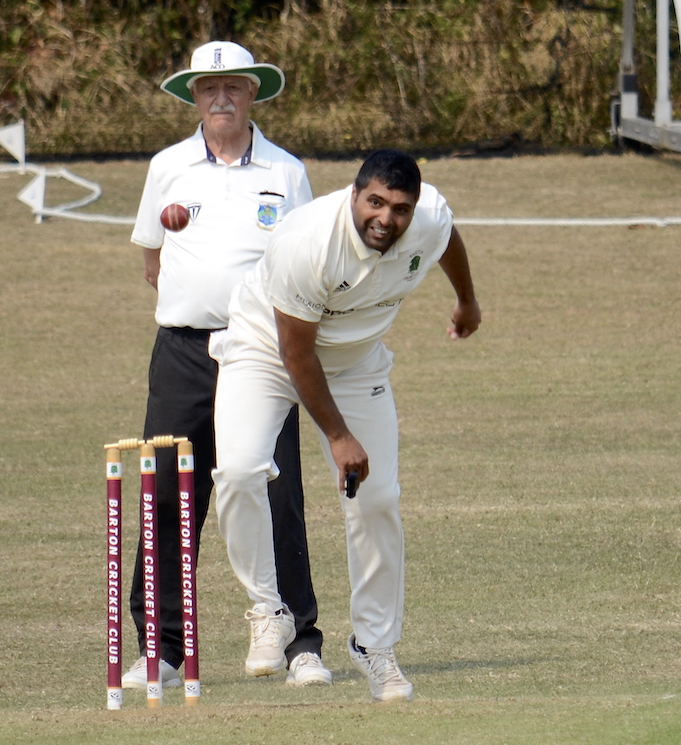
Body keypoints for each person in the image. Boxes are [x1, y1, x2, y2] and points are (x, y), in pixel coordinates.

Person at [210, 149, 481, 702]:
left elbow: (446, 239)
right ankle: (270, 610)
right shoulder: (307, 241)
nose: (385, 218)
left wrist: (466, 300)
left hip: (356, 361)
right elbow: (296, 352)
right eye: (375, 202)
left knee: (377, 498)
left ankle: (375, 646)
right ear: (353, 195)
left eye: (399, 208)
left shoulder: (426, 219)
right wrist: (338, 437)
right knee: (238, 470)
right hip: (268, 351)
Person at [123, 40, 331, 690]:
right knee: (165, 493)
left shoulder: (287, 171)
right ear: (193, 97)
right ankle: (161, 649)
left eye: (234, 88)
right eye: (209, 89)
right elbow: (152, 261)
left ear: (253, 94)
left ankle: (300, 642)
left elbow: (305, 267)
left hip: (263, 351)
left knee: (277, 489)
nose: (221, 99)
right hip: (183, 349)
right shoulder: (167, 167)